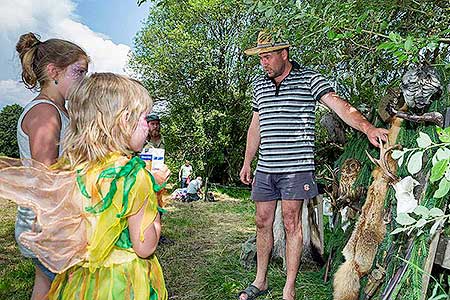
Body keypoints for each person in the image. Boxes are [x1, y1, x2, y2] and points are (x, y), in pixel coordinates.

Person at [238, 31, 389, 300]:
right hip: (266, 167)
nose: (264, 63)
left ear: (284, 54)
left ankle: (289, 287)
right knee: (262, 222)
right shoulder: (260, 85)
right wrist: (248, 161)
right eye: (261, 58)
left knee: (291, 223)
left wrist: (367, 128)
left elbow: (339, 106)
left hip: (296, 167)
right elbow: (255, 125)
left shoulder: (309, 78)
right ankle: (260, 281)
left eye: (268, 57)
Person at [0, 73, 168, 299]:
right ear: (123, 121)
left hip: (81, 281)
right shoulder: (134, 177)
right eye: (144, 118)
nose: (148, 126)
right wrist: (154, 194)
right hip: (122, 283)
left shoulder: (73, 170)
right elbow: (145, 246)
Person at [15, 32, 89, 299]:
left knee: (45, 287)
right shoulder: (45, 112)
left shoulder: (62, 110)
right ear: (53, 71)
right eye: (79, 71)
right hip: (46, 222)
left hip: (50, 218)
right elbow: (48, 175)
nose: (84, 79)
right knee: (69, 289)